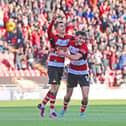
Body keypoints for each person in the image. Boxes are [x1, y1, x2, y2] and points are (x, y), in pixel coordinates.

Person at [37, 14, 74, 118]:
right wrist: (52, 21)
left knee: (55, 89)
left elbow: (76, 40)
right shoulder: (54, 37)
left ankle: (42, 105)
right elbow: (48, 31)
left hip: (60, 66)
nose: (64, 28)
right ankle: (52, 111)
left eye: (64, 26)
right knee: (54, 88)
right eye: (61, 26)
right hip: (53, 65)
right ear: (56, 29)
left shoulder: (68, 38)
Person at [57, 31, 90, 118]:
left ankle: (82, 112)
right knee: (68, 95)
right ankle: (64, 109)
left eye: (83, 39)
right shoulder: (71, 43)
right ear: (75, 37)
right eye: (80, 38)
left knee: (85, 96)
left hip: (83, 73)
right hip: (72, 72)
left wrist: (64, 53)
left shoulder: (84, 48)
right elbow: (61, 45)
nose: (81, 40)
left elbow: (75, 58)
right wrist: (58, 49)